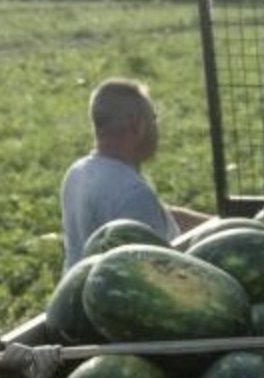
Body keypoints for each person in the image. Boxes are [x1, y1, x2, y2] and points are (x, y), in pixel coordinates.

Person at [60, 78, 211, 271]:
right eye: (154, 119)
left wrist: (220, 224)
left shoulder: (78, 173)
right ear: (137, 124)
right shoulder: (132, 193)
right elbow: (164, 272)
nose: (157, 128)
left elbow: (163, 213)